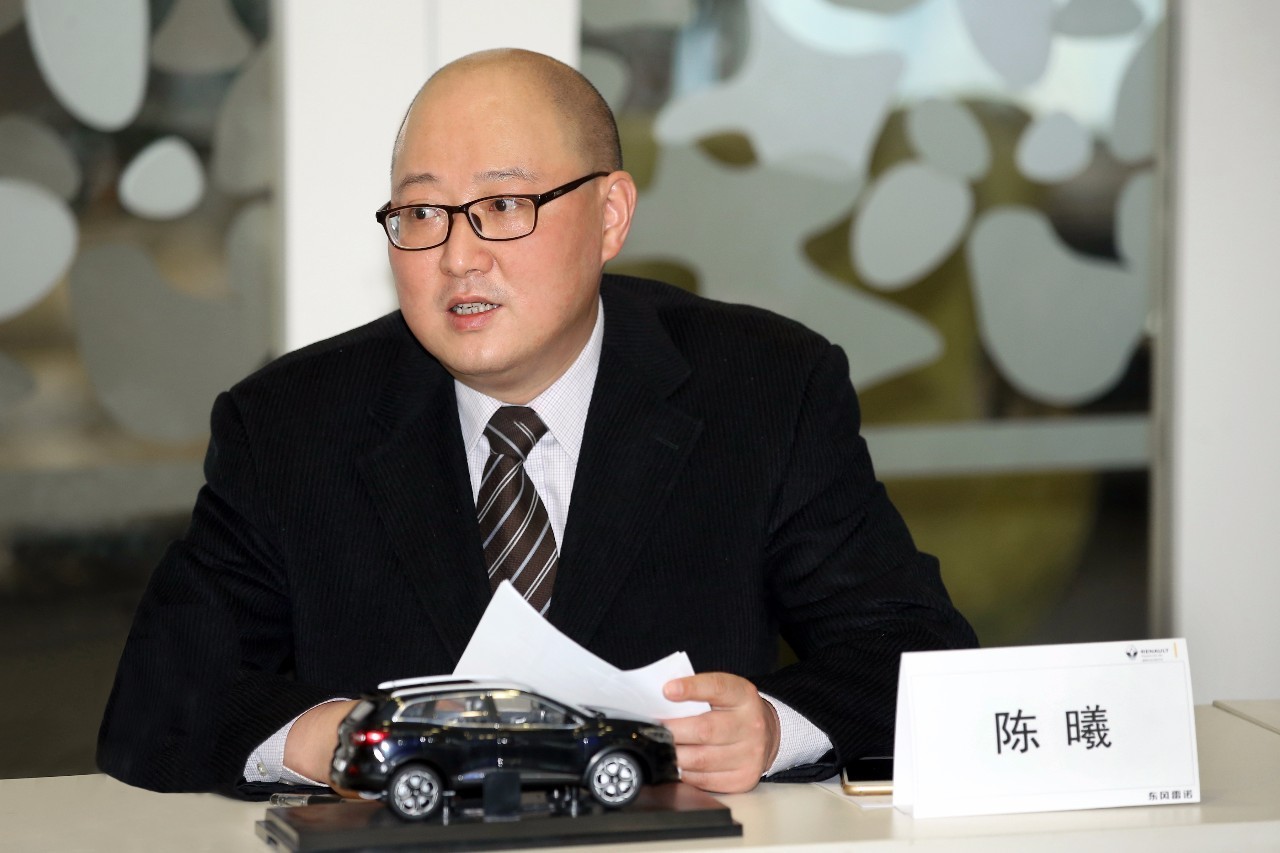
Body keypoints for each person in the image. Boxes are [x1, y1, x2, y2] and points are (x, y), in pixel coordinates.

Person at [97, 48, 976, 799]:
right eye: (421, 213)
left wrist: (773, 727)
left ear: (610, 216)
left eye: (504, 206)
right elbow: (156, 701)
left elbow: (914, 653)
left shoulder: (763, 388)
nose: (458, 255)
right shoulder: (290, 424)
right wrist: (335, 740)